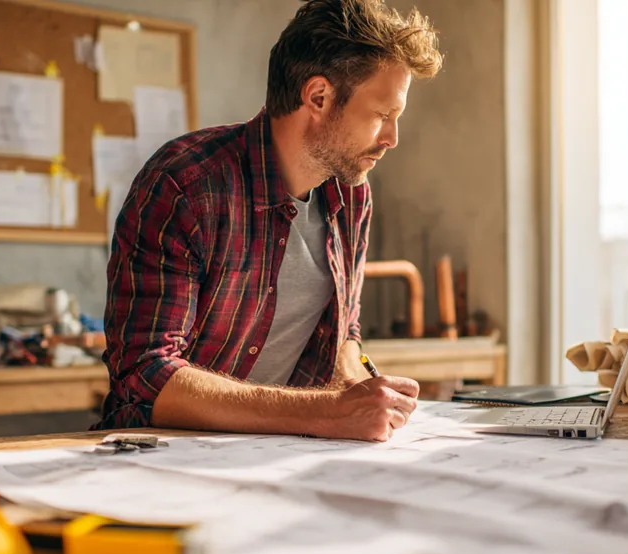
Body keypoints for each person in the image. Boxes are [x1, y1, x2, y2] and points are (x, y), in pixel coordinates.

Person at [96, 0, 443, 441]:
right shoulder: (185, 184)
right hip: (166, 460)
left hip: (279, 455)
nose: (392, 138)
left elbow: (344, 333)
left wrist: (359, 388)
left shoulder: (352, 195)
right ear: (318, 97)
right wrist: (328, 412)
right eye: (382, 116)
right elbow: (146, 376)